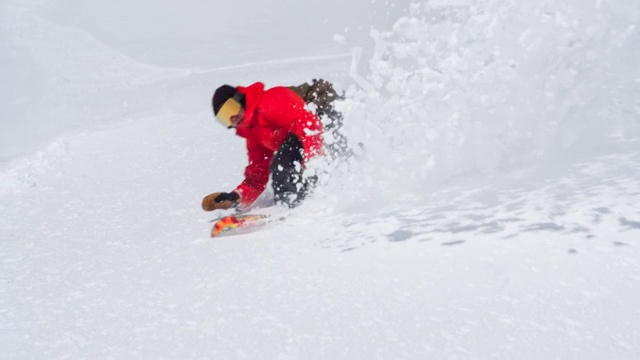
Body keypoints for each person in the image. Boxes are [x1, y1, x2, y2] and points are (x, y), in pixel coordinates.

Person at [202, 81, 327, 212]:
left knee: (284, 163)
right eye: (224, 118)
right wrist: (235, 197)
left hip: (322, 107)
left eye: (230, 109)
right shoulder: (253, 132)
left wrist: (314, 167)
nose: (232, 118)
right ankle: (289, 203)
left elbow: (310, 126)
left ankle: (294, 204)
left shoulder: (269, 103)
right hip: (306, 136)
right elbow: (258, 174)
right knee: (284, 163)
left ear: (239, 99)